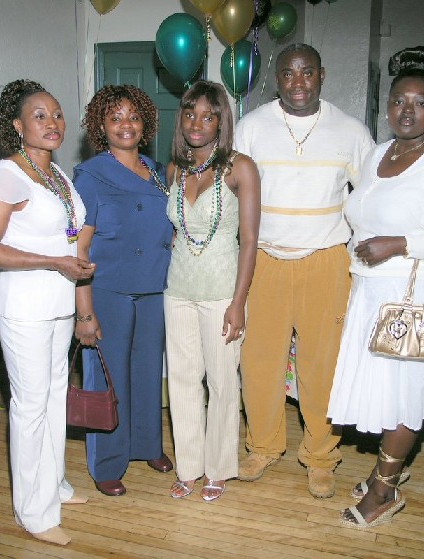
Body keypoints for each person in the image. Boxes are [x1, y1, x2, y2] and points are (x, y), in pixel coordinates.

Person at [327, 46, 424, 529]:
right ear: (388, 106)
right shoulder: (378, 154)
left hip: (415, 296)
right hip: (371, 293)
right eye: (399, 102)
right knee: (385, 392)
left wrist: (399, 243)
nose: (407, 111)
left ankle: (384, 490)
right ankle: (385, 469)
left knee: (406, 394)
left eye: (419, 103)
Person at [233, 43, 374, 498]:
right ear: (277, 78)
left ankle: (320, 455)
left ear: (322, 75)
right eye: (289, 74)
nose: (298, 82)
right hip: (264, 261)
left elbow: (372, 197)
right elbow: (231, 189)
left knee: (322, 365)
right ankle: (263, 446)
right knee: (259, 361)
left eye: (307, 73)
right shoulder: (251, 128)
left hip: (326, 261)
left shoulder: (351, 131)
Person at [0, 79, 94, 546]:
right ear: (18, 125)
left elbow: (64, 234)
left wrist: (74, 264)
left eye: (57, 115)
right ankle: (33, 513)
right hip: (22, 306)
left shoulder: (57, 175)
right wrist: (54, 262)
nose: (52, 123)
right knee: (29, 406)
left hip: (59, 303)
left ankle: (54, 486)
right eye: (39, 116)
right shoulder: (5, 174)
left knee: (54, 398)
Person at [73, 85, 174, 497]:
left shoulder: (156, 168)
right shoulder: (90, 174)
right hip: (109, 290)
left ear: (145, 122)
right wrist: (84, 312)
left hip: (154, 286)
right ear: (101, 126)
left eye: (133, 116)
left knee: (149, 373)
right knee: (107, 378)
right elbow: (78, 247)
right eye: (115, 118)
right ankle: (108, 463)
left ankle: (147, 444)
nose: (125, 124)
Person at [165, 81, 260, 501]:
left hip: (223, 291)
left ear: (222, 119)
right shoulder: (175, 170)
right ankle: (188, 466)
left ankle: (218, 467)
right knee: (183, 381)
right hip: (178, 289)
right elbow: (176, 232)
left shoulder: (241, 168)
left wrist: (239, 303)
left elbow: (251, 239)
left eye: (208, 115)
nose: (197, 123)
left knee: (222, 382)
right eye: (190, 114)